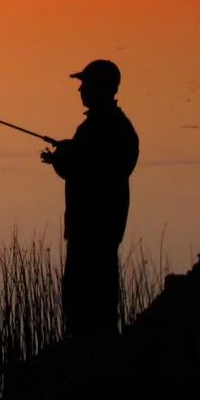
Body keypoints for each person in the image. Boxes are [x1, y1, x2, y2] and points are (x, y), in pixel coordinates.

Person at [41, 59, 139, 339]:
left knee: (86, 297)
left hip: (93, 229)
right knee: (92, 297)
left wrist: (63, 158)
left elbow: (91, 171)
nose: (81, 90)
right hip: (98, 228)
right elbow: (89, 163)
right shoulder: (107, 127)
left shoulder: (106, 128)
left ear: (103, 88)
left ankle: (91, 356)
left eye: (86, 84)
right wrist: (67, 154)